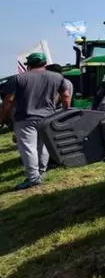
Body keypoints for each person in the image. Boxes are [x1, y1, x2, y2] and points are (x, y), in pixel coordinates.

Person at [0, 52, 72, 190]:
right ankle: (40, 173)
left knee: (28, 148)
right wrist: (65, 110)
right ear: (45, 64)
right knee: (43, 146)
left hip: (25, 118)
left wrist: (2, 118)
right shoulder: (57, 77)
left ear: (28, 66)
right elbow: (66, 95)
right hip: (48, 117)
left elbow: (8, 100)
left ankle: (33, 178)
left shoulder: (18, 79)